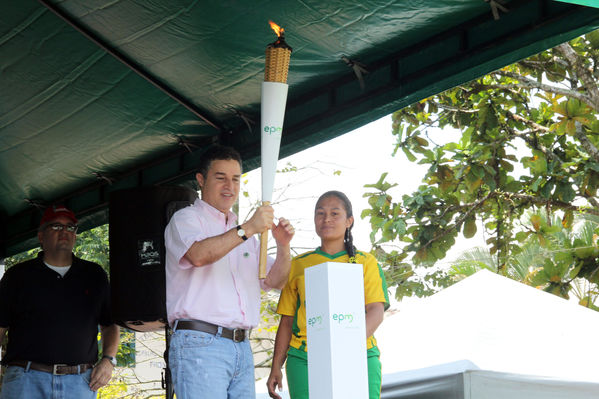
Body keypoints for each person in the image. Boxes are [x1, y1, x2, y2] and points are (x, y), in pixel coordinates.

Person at [164, 144, 295, 399]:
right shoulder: (186, 219)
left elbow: (276, 281)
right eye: (220, 177)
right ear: (201, 180)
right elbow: (198, 255)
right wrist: (247, 229)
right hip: (199, 341)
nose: (230, 186)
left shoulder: (245, 234)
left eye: (236, 179)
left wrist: (283, 247)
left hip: (241, 346)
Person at [267, 190, 389, 399]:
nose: (326, 219)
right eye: (320, 213)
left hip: (358, 355)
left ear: (349, 221)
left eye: (335, 213)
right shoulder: (297, 265)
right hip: (305, 358)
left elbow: (376, 310)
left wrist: (346, 347)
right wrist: (276, 365)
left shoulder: (365, 262)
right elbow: (287, 321)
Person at [0, 205, 120, 399]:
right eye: (56, 226)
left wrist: (108, 360)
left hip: (80, 382)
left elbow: (110, 324)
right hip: (25, 381)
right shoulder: (17, 276)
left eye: (70, 227)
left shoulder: (94, 275)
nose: (64, 231)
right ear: (41, 237)